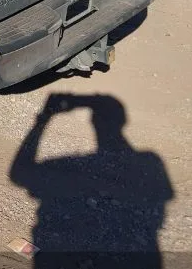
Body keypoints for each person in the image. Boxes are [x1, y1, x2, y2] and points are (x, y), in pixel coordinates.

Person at [10, 94, 174, 269]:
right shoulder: (148, 161)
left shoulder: (149, 161)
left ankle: (35, 251)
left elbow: (20, 174)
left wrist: (42, 120)